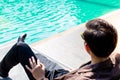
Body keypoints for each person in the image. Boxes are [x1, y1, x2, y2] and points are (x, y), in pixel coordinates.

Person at [0, 18, 120, 80]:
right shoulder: (117, 60)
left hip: (51, 78)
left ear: (87, 47)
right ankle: (21, 50)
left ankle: (2, 71)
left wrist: (40, 77)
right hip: (67, 74)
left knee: (21, 48)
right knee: (38, 57)